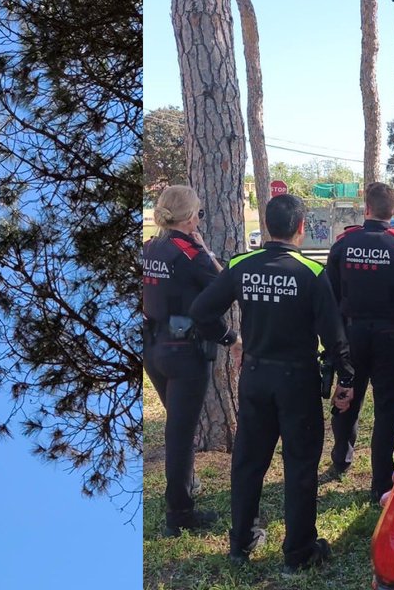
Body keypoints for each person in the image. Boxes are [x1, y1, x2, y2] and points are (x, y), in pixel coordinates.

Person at [191, 194, 353, 575]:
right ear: (300, 228)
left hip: (255, 377)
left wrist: (229, 338)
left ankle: (241, 542)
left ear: (267, 226)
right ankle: (298, 552)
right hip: (296, 379)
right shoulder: (311, 272)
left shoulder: (240, 265)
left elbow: (201, 311)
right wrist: (346, 377)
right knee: (300, 465)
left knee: (248, 462)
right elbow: (334, 335)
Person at [326, 181, 394, 504]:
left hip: (351, 334)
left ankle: (341, 457)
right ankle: (379, 482)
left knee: (348, 395)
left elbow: (328, 295)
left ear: (367, 208)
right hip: (391, 336)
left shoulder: (344, 244)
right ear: (393, 211)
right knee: (387, 408)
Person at [142, 185, 237, 537]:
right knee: (180, 436)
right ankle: (179, 514)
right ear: (188, 217)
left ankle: (185, 487)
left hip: (152, 347)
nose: (200, 216)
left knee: (178, 427)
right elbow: (224, 284)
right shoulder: (191, 253)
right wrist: (230, 338)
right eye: (198, 211)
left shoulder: (149, 247)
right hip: (184, 352)